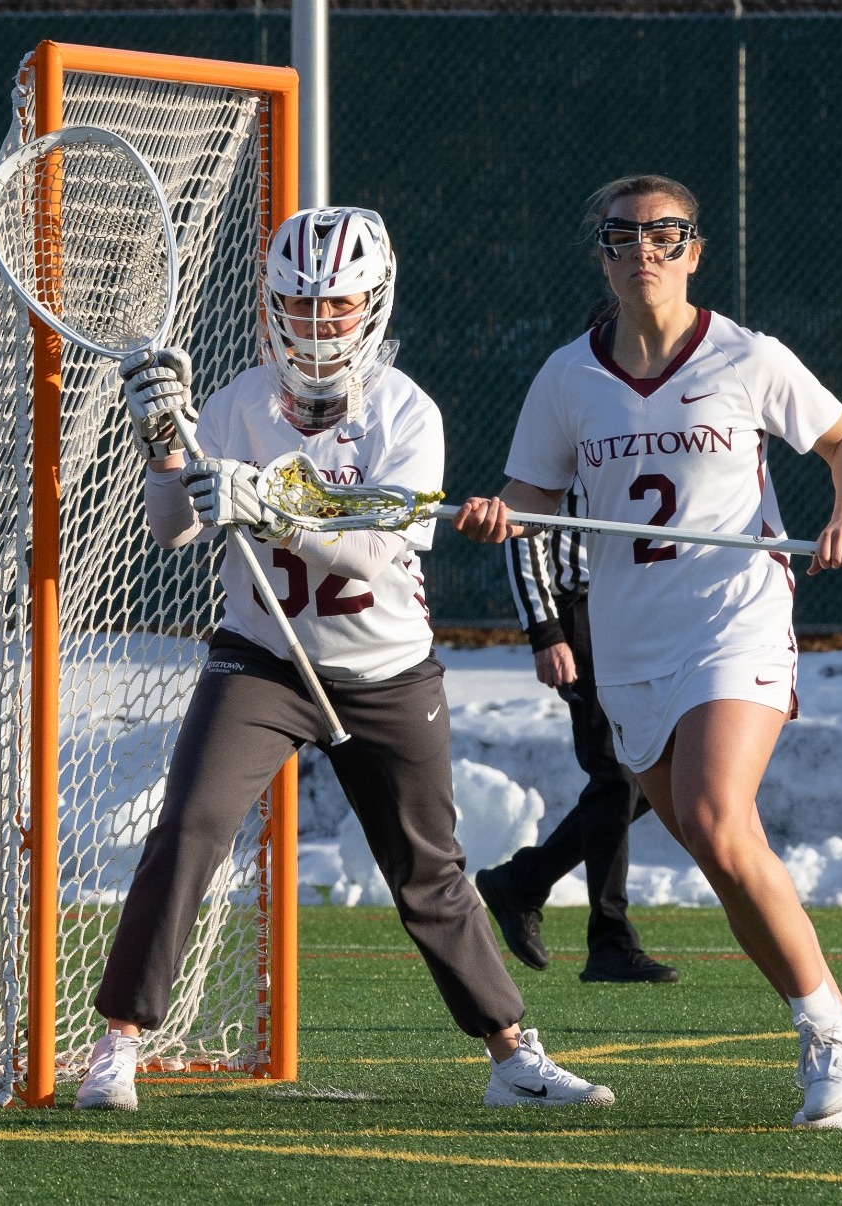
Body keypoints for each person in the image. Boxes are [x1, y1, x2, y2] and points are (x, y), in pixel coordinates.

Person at [76, 206, 612, 1113]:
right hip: (264, 660)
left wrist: (273, 502)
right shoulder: (240, 403)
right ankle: (117, 1047)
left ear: (372, 306)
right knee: (191, 828)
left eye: (337, 306)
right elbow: (174, 528)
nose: (318, 324)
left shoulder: (408, 413)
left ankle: (513, 1057)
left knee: (427, 871)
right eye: (301, 304)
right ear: (271, 306)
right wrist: (165, 445)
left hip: (387, 670)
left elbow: (377, 548)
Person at [452, 175, 842, 1130]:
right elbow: (525, 502)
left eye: (666, 235)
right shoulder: (567, 377)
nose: (644, 250)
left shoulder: (747, 355)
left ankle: (831, 1041)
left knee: (713, 812)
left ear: (695, 251)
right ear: (601, 254)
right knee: (714, 847)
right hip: (628, 638)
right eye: (624, 235)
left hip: (732, 618)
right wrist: (499, 519)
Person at [475, 463, 680, 985]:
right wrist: (546, 632)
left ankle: (524, 881)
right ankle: (609, 939)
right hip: (579, 610)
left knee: (657, 769)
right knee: (614, 772)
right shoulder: (570, 423)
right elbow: (522, 532)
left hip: (636, 612)